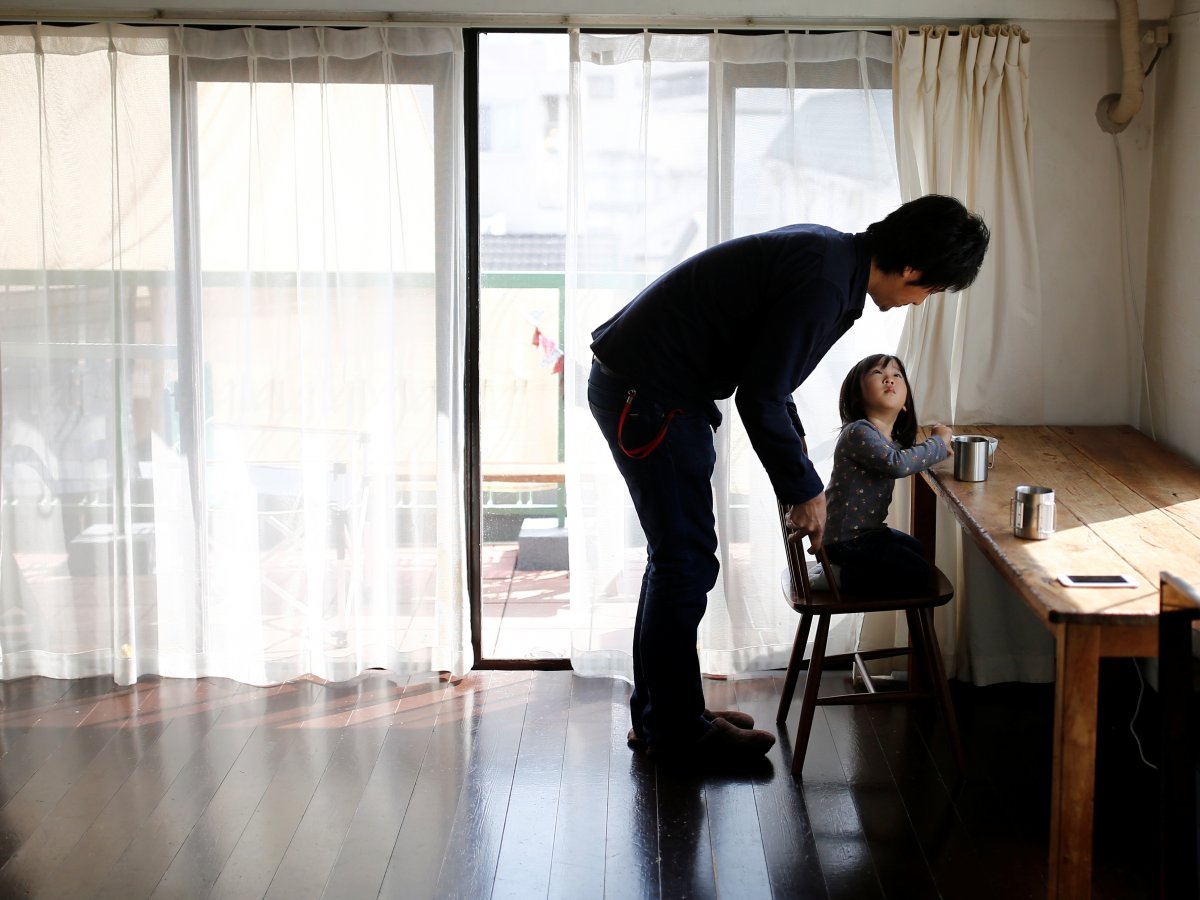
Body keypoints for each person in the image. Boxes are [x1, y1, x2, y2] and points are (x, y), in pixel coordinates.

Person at [587, 194, 989, 768]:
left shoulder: (833, 262)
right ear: (912, 269)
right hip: (649, 395)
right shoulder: (827, 283)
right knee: (685, 563)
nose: (921, 302)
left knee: (677, 560)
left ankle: (664, 717)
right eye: (931, 289)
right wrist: (804, 490)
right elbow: (760, 395)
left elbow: (770, 375)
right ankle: (674, 731)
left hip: (650, 386)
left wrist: (797, 453)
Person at [822, 354, 952, 597]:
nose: (889, 380)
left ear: (905, 403)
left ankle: (847, 572)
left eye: (896, 375)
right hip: (846, 540)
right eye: (878, 374)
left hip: (869, 533)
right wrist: (938, 443)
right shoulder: (859, 432)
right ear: (857, 396)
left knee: (915, 549)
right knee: (918, 574)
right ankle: (841, 577)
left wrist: (937, 447)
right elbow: (898, 464)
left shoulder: (887, 440)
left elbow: (907, 458)